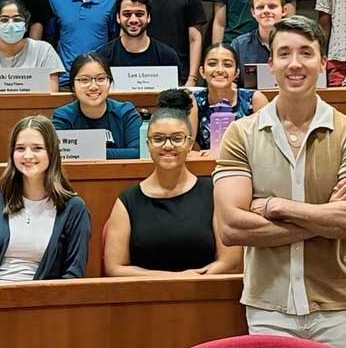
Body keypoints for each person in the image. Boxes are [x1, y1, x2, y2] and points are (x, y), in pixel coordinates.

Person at [214, 16, 346, 348]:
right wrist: (327, 219)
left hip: (336, 306)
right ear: (270, 64)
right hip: (267, 306)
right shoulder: (240, 134)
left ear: (322, 63)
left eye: (306, 53)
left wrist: (276, 207)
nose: (295, 63)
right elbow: (231, 227)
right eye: (284, 53)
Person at [104, 90, 242, 277]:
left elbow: (230, 259)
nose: (168, 145)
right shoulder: (127, 201)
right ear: (148, 145)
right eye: (158, 139)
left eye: (177, 138)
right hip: (146, 300)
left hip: (204, 295)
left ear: (189, 143)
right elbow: (114, 268)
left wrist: (194, 281)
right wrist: (174, 279)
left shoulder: (214, 192)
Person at [0, 115, 91, 283]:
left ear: (52, 152)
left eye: (37, 148)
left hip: (44, 304)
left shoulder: (74, 208)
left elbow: (73, 274)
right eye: (20, 148)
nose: (27, 155)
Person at [52, 51, 142, 159]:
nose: (93, 86)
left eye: (101, 79)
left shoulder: (126, 113)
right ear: (73, 87)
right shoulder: (63, 117)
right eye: (84, 80)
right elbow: (58, 154)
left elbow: (139, 152)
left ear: (110, 83)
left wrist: (86, 152)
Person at [189, 42, 268, 152]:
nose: (220, 70)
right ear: (202, 71)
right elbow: (189, 147)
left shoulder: (254, 99)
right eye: (212, 64)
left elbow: (266, 145)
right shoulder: (193, 102)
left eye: (227, 65)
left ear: (236, 73)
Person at [96, 0, 184, 73]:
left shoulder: (168, 56)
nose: (133, 20)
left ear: (148, 17)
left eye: (139, 14)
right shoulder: (102, 56)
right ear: (118, 18)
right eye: (127, 14)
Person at [230, 0, 284, 71]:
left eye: (272, 6)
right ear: (253, 12)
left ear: (283, 10)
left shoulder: (298, 44)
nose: (266, 11)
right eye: (260, 7)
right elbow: (232, 82)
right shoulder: (239, 46)